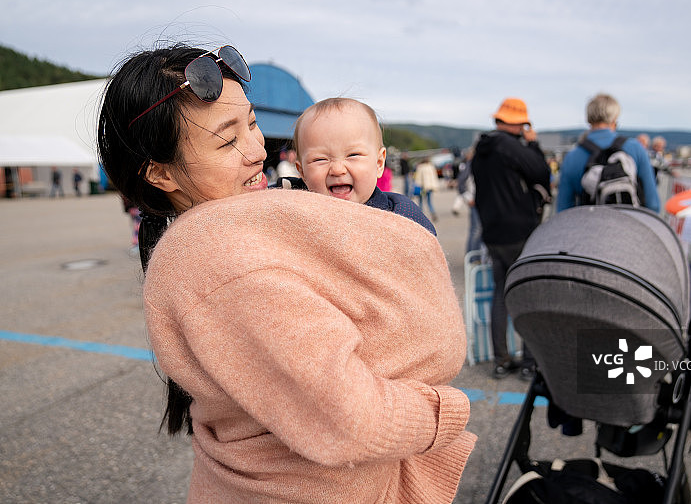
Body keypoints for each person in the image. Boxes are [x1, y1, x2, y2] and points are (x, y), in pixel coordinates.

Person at [97, 44, 474, 503]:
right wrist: (447, 412)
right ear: (160, 174)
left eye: (252, 123)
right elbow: (349, 418)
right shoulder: (218, 257)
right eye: (227, 141)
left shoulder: (249, 223)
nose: (258, 150)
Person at [471, 97, 551, 379]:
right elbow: (541, 171)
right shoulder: (510, 146)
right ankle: (530, 362)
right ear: (519, 123)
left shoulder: (481, 149)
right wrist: (533, 144)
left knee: (500, 294)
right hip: (519, 231)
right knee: (527, 293)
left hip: (492, 233)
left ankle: (501, 360)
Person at [292, 97, 435, 234]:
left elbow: (427, 247)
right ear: (302, 172)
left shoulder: (403, 216)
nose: (337, 169)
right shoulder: (292, 215)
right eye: (320, 159)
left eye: (353, 155)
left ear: (379, 163)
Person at [556, 93, 660, 213]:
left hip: (589, 222)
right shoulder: (635, 148)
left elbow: (563, 209)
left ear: (588, 119)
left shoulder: (572, 157)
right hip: (629, 222)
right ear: (614, 117)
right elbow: (653, 203)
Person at [413, 156, 439, 222]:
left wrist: (417, 186)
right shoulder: (431, 167)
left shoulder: (420, 167)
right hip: (430, 187)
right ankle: (433, 213)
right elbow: (434, 177)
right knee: (429, 201)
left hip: (422, 187)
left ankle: (420, 216)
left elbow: (418, 178)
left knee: (421, 201)